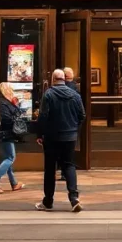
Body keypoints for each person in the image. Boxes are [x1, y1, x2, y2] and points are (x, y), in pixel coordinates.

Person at [35, 69, 85, 213]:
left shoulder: (49, 94)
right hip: (70, 137)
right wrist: (74, 128)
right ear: (64, 79)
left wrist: (40, 133)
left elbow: (43, 116)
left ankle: (48, 201)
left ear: (53, 79)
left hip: (52, 137)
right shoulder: (75, 95)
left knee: (50, 169)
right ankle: (74, 198)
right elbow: (82, 115)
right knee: (69, 165)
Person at [0, 82, 25, 194]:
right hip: (6, 133)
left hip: (5, 133)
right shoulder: (2, 103)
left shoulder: (6, 102)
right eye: (11, 90)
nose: (13, 92)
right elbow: (6, 118)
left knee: (7, 158)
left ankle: (14, 183)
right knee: (11, 157)